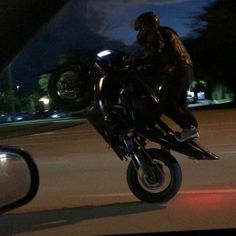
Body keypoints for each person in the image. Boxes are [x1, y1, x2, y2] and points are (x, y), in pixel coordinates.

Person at [125, 11, 199, 142]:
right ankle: (192, 128)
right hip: (187, 69)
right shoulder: (167, 32)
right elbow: (159, 59)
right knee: (179, 103)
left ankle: (189, 127)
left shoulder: (156, 34)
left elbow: (154, 55)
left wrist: (135, 62)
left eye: (140, 27)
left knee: (165, 103)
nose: (140, 32)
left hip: (176, 70)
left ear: (147, 25)